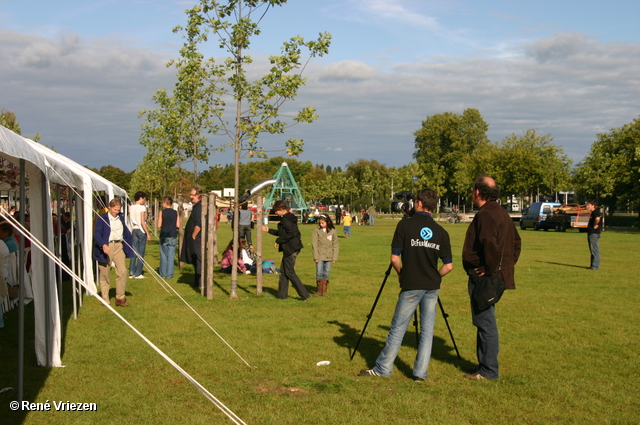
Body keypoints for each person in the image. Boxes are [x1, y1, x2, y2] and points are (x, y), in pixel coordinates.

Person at [359, 189, 453, 381]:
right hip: (431, 286)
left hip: (411, 284)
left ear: (418, 203)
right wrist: (435, 276)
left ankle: (383, 368)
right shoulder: (442, 232)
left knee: (398, 328)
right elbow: (449, 266)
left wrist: (401, 274)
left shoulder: (405, 226)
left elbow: (395, 258)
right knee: (428, 331)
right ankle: (420, 373)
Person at [462, 175, 521, 380]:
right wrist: (505, 266)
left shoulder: (486, 214)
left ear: (478, 192)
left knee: (485, 322)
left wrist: (490, 269)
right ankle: (483, 365)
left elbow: (489, 243)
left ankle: (488, 370)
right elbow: (516, 243)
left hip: (486, 278)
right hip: (495, 275)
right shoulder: (501, 212)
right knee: (483, 320)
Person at [261, 200, 310, 300]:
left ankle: (304, 295)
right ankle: (282, 295)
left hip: (291, 248)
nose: (275, 213)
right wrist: (269, 230)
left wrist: (278, 241)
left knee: (289, 272)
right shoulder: (287, 218)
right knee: (284, 271)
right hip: (291, 247)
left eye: (276, 211)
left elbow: (291, 233)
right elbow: (283, 233)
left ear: (282, 209)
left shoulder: (286, 220)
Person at [93, 198, 134, 307]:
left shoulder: (121, 217)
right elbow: (97, 234)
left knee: (123, 271)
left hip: (118, 246)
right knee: (105, 273)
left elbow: (125, 232)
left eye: (118, 210)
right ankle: (105, 299)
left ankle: (120, 297)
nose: (117, 212)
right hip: (107, 246)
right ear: (110, 207)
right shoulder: (102, 218)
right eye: (115, 209)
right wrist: (103, 244)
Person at [180, 187, 203, 288]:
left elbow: (199, 223)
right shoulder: (197, 206)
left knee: (198, 260)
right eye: (190, 195)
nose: (191, 197)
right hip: (195, 238)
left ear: (199, 195)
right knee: (195, 260)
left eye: (193, 195)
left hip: (197, 238)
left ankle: (199, 282)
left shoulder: (199, 207)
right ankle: (197, 281)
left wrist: (193, 235)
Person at [311, 214, 339, 296]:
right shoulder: (316, 230)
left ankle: (324, 291)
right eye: (320, 223)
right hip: (319, 256)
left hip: (329, 256)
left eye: (323, 223)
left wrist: (334, 258)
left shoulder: (333, 231)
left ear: (327, 222)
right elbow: (314, 244)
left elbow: (336, 245)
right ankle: (319, 291)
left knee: (326, 272)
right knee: (319, 272)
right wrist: (316, 257)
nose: (321, 225)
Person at [129, 191, 151, 279]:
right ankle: (138, 273)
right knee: (141, 252)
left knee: (134, 251)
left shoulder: (131, 207)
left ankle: (131, 272)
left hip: (134, 229)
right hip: (140, 230)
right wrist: (148, 233)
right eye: (144, 199)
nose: (144, 201)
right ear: (141, 198)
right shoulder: (142, 208)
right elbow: (142, 222)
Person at [157, 196, 180, 279]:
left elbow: (159, 225)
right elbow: (178, 225)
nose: (162, 204)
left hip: (164, 235)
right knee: (171, 256)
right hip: (173, 235)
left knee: (163, 255)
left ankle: (163, 273)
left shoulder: (162, 212)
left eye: (162, 202)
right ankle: (170, 274)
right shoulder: (176, 212)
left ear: (166, 203)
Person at [585, 200, 601, 270]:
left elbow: (597, 218)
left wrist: (595, 225)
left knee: (594, 250)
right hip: (592, 233)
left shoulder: (595, 212)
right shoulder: (593, 213)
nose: (587, 206)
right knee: (593, 250)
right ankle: (592, 265)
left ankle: (595, 266)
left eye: (588, 205)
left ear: (593, 205)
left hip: (593, 233)